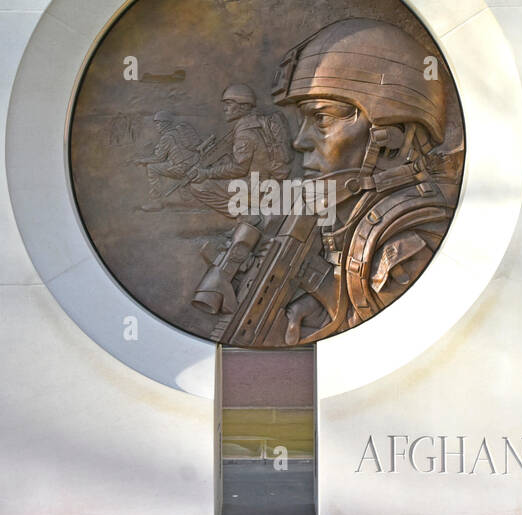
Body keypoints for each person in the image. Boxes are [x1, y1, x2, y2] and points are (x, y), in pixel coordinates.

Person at [192, 18, 460, 346]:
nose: (300, 141)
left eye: (321, 118)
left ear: (392, 138)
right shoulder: (348, 213)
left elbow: (392, 340)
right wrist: (325, 303)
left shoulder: (406, 241)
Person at [185, 83, 292, 218]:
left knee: (198, 187)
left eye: (229, 104)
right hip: (267, 183)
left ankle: (247, 218)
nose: (225, 109)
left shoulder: (245, 133)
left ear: (243, 106)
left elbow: (239, 169)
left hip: (256, 189)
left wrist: (207, 173)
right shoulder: (257, 122)